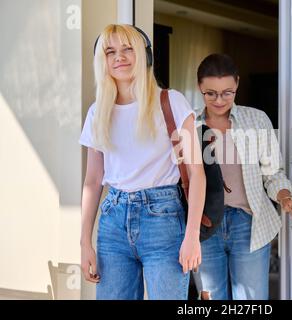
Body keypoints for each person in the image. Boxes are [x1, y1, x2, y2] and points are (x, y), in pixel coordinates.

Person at [79, 24, 205, 300]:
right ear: (103, 61)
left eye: (127, 49)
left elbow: (197, 174)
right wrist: (84, 242)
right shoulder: (97, 112)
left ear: (143, 55)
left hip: (163, 220)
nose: (119, 57)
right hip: (113, 222)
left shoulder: (171, 101)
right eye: (110, 51)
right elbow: (92, 181)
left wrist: (192, 235)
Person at [193, 53, 292, 300]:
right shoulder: (189, 125)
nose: (219, 100)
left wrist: (285, 198)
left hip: (248, 223)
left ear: (236, 84)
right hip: (204, 225)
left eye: (227, 92)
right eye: (210, 93)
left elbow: (272, 172)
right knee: (210, 299)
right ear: (199, 87)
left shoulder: (256, 119)